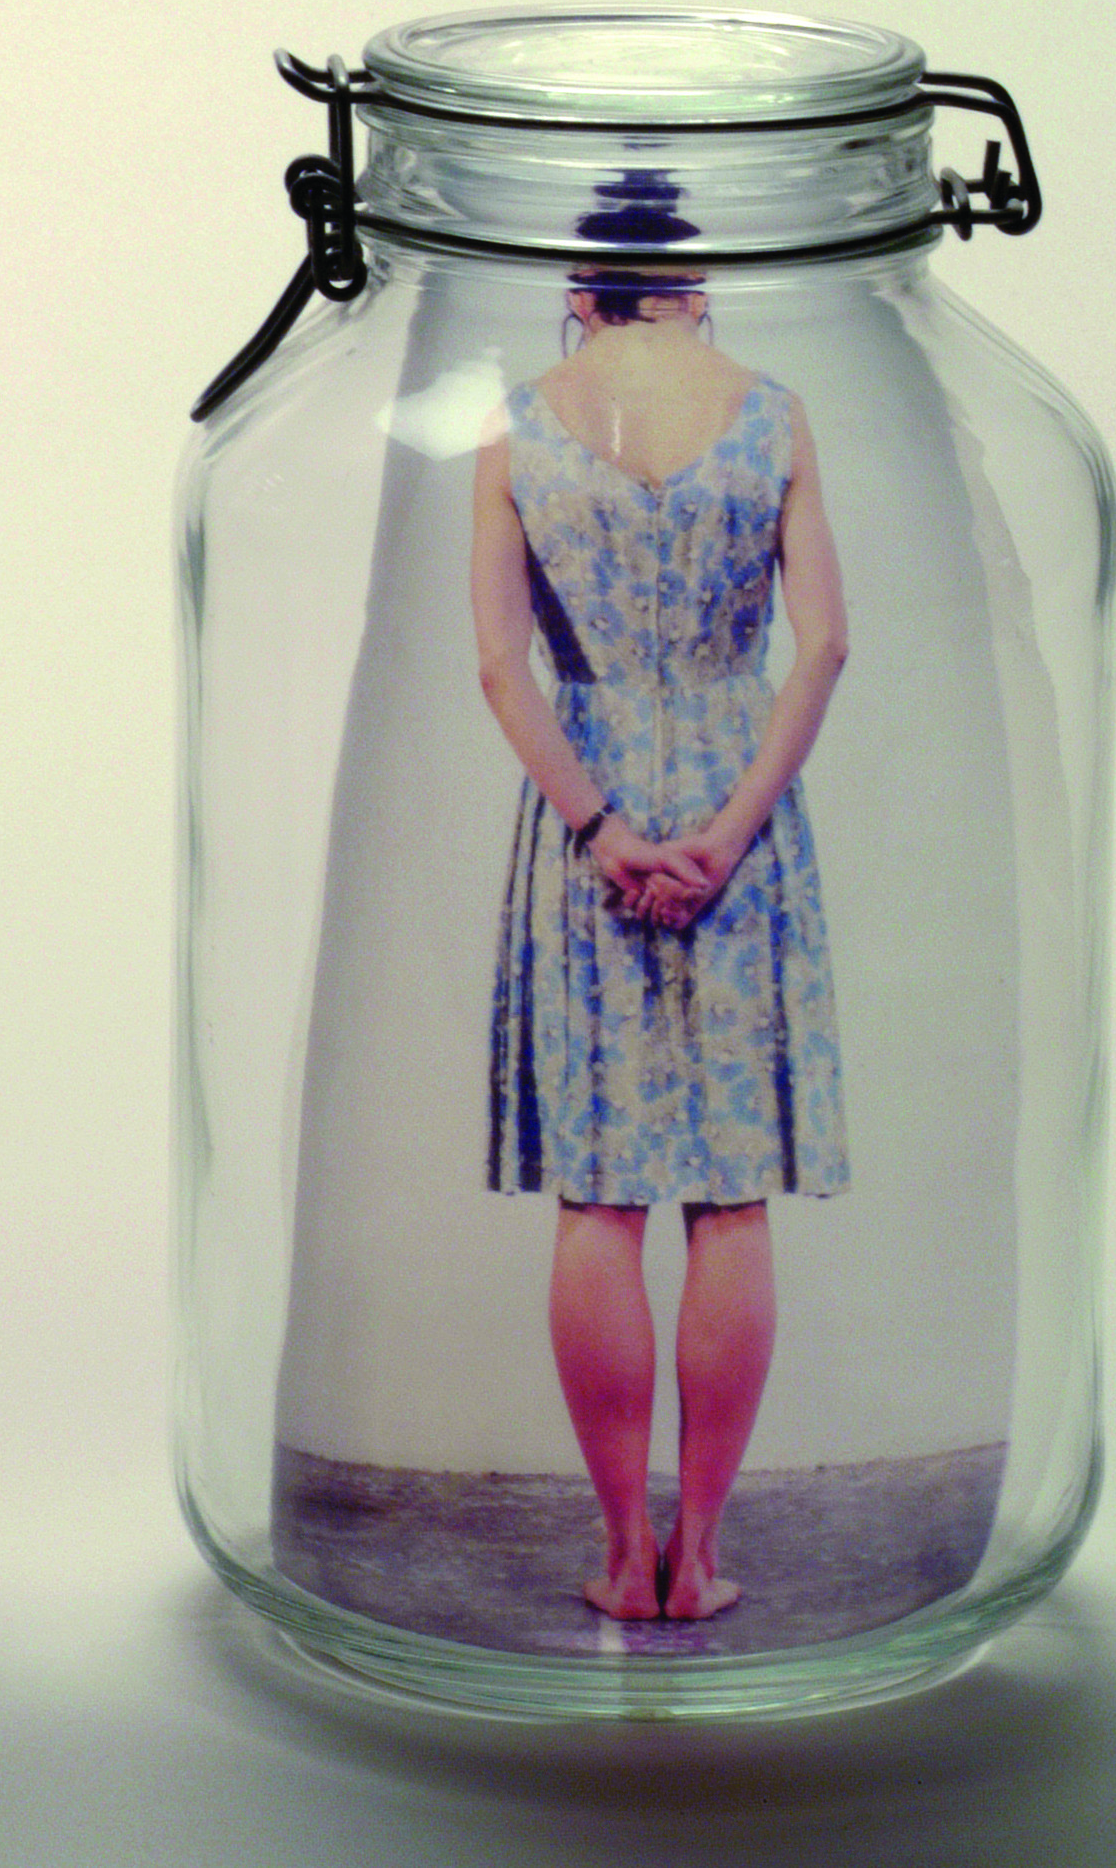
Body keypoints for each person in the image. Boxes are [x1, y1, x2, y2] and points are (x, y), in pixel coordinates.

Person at [470, 199, 849, 1625]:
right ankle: (702, 1556)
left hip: (593, 811)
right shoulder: (776, 412)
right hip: (740, 811)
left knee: (601, 1195)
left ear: (583, 286)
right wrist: (732, 826)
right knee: (732, 1193)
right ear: (695, 283)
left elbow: (502, 666)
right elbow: (825, 643)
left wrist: (604, 828)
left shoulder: (518, 420)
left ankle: (625, 1551)